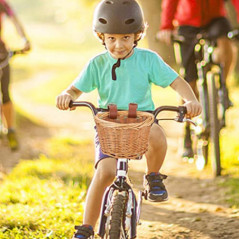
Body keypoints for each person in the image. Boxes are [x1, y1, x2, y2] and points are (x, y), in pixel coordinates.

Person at [56, 0, 202, 238]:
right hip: (108, 126)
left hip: (142, 122)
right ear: (101, 36)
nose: (118, 45)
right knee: (105, 173)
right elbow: (74, 90)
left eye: (125, 37)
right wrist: (66, 96)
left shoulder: (148, 59)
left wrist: (190, 100)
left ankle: (153, 176)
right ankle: (86, 228)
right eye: (111, 38)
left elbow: (176, 81)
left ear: (138, 35)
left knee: (157, 134)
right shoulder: (97, 63)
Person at [157, 0, 239, 158]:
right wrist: (166, 27)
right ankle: (187, 134)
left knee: (225, 41)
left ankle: (222, 87)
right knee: (189, 83)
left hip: (215, 20)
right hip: (187, 23)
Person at [0, 0, 30, 150]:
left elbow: (15, 22)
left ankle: (10, 129)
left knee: (5, 94)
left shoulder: (3, 4)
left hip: (1, 55)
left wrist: (24, 40)